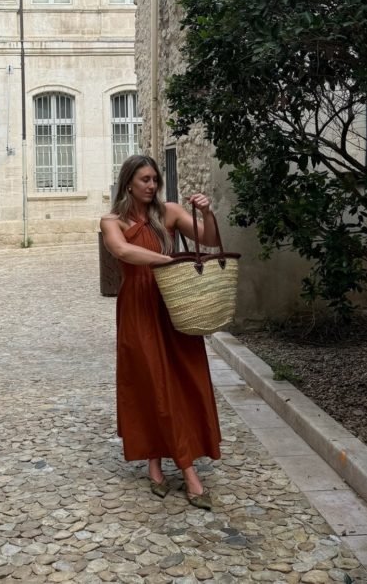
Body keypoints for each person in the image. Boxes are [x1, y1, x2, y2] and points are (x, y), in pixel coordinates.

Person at [100, 154, 222, 508]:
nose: (152, 185)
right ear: (128, 183)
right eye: (144, 179)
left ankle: (172, 463)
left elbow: (209, 240)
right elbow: (122, 250)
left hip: (176, 304)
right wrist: (170, 260)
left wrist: (207, 212)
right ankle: (175, 467)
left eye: (154, 179)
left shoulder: (168, 212)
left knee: (184, 382)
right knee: (149, 382)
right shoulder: (113, 221)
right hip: (138, 308)